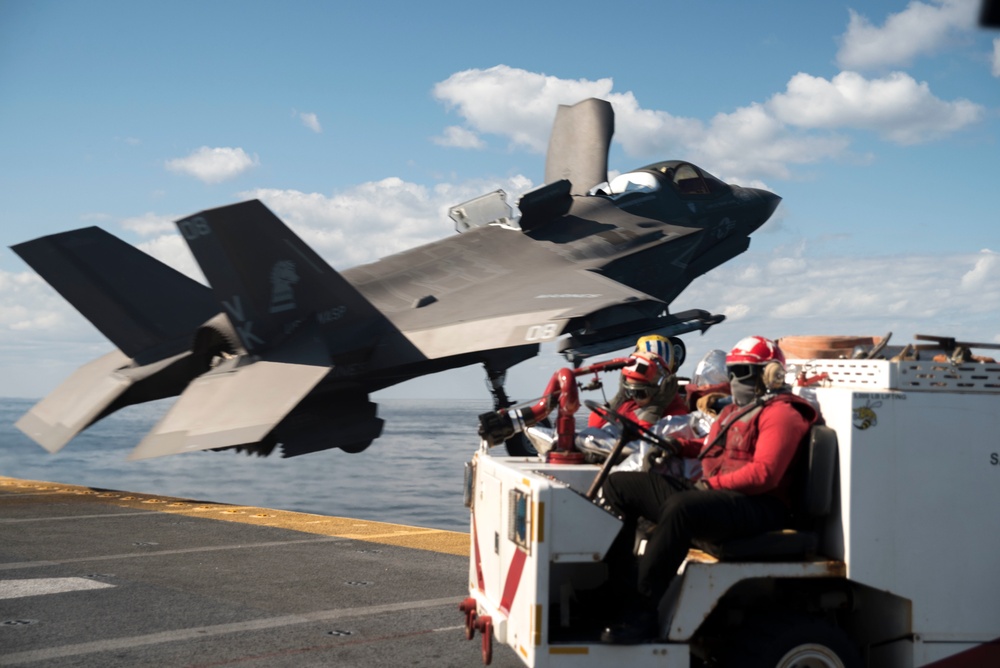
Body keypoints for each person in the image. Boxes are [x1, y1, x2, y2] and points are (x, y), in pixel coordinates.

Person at [596, 335, 819, 644]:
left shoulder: (782, 415)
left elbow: (765, 474)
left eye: (745, 372)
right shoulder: (734, 411)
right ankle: (617, 593)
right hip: (723, 496)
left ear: (770, 374)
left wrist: (707, 486)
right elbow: (710, 446)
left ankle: (642, 613)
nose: (736, 379)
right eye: (733, 371)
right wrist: (678, 446)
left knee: (682, 508)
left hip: (760, 507)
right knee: (619, 486)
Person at [587, 335, 685, 431]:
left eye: (640, 393)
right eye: (630, 391)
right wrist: (619, 397)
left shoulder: (676, 414)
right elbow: (593, 427)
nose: (634, 396)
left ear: (662, 382)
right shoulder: (628, 399)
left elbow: (646, 443)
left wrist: (655, 409)